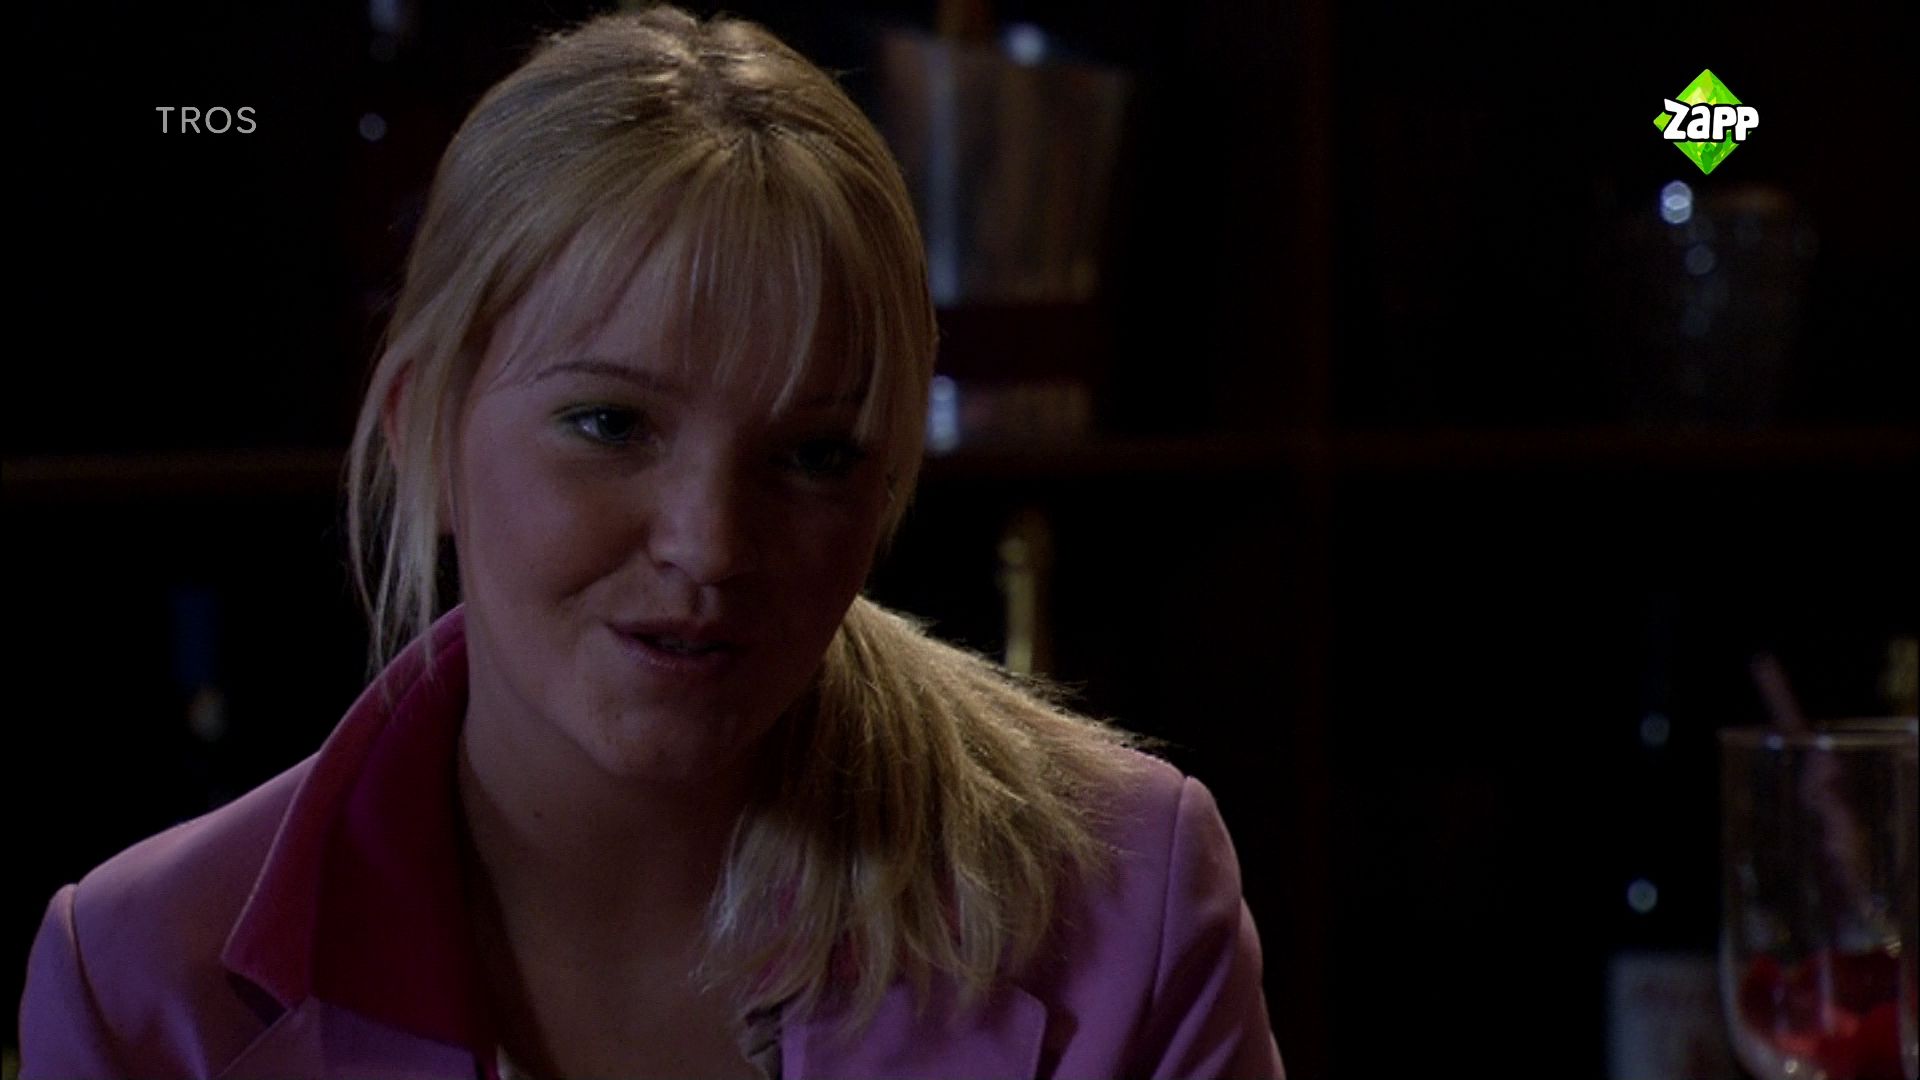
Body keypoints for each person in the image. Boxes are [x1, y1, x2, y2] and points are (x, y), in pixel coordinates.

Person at [18, 7, 1286, 1077]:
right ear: (421, 430)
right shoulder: (141, 980)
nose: (712, 544)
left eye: (815, 455)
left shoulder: (1127, 898)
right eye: (612, 424)